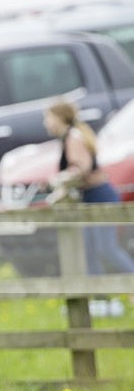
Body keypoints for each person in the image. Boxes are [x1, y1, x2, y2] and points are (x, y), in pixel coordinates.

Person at [44, 100, 134, 276]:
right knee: (88, 252)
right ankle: (101, 299)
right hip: (87, 198)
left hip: (100, 197)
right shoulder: (67, 137)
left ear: (59, 117)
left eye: (48, 117)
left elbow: (81, 168)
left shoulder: (73, 137)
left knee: (107, 249)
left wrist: (61, 180)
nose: (45, 122)